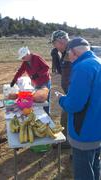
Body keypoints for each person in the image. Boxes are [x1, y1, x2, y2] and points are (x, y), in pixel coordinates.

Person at [57, 37, 101, 180]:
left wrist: (61, 99)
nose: (68, 58)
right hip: (97, 128)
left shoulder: (82, 68)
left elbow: (74, 105)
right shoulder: (97, 62)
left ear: (74, 51)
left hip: (84, 132)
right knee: (94, 165)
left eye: (68, 53)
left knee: (83, 173)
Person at [10, 46, 51, 114]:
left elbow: (46, 67)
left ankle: (47, 115)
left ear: (27, 54)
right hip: (36, 83)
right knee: (36, 100)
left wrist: (37, 74)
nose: (22, 59)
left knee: (44, 100)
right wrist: (14, 80)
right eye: (22, 58)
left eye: (23, 57)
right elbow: (20, 71)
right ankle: (40, 115)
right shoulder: (25, 62)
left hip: (44, 82)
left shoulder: (36, 57)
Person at [50, 30, 72, 148]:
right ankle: (65, 142)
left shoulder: (72, 52)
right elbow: (62, 72)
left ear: (61, 41)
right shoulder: (64, 53)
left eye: (54, 43)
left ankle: (70, 145)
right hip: (70, 92)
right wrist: (56, 58)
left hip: (76, 92)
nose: (54, 46)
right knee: (66, 116)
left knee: (71, 118)